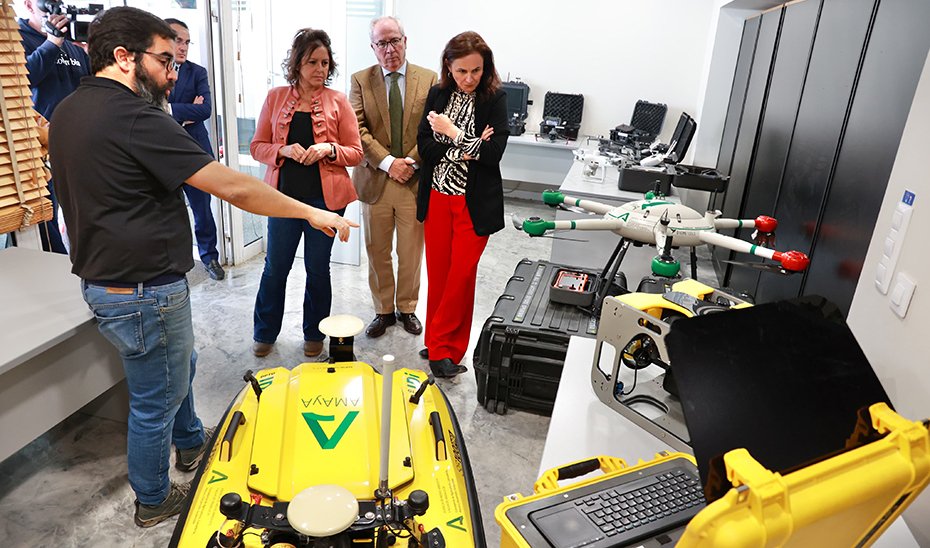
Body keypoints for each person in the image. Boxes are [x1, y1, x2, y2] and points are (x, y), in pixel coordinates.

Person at [50, 7, 356, 527]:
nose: (175, 72)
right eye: (165, 59)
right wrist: (310, 210)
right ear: (124, 58)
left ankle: (191, 442)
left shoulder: (69, 110)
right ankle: (152, 500)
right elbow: (233, 186)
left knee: (177, 369)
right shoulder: (135, 117)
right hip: (143, 287)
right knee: (155, 399)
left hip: (107, 280)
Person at [250, 28, 362, 359]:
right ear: (297, 63)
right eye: (312, 61)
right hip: (283, 200)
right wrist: (282, 152)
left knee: (318, 267)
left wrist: (329, 148)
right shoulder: (275, 97)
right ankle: (265, 331)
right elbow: (257, 147)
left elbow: (355, 152)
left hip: (325, 202)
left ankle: (315, 332)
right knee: (275, 267)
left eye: (325, 63)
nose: (320, 69)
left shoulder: (338, 101)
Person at [416, 31, 509, 378]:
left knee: (461, 276)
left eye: (476, 70)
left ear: (485, 68)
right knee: (440, 277)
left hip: (474, 203)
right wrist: (470, 146)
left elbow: (493, 154)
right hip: (438, 198)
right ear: (448, 67)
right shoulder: (437, 94)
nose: (469, 79)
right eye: (461, 71)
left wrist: (452, 133)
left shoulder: (495, 99)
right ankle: (443, 345)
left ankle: (440, 346)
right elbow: (424, 148)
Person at [350, 16, 436, 339]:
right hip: (377, 180)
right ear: (373, 48)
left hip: (413, 180)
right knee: (377, 250)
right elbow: (357, 130)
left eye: (394, 41)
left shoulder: (428, 79)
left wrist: (409, 162)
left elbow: (432, 127)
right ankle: (383, 310)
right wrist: (388, 163)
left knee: (411, 251)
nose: (390, 49)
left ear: (405, 40)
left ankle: (408, 308)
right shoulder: (360, 81)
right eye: (382, 43)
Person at [19, 0, 90, 254]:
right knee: (47, 216)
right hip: (41, 149)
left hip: (80, 142)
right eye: (47, 6)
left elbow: (91, 86)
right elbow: (22, 81)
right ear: (28, 5)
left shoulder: (73, 47)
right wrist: (52, 43)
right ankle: (60, 274)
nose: (55, 13)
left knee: (86, 213)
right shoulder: (14, 40)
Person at [164, 18, 225, 281]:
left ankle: (209, 257)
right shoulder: (152, 72)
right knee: (170, 209)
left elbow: (205, 110)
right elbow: (151, 109)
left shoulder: (197, 72)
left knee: (202, 208)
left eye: (187, 42)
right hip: (164, 150)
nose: (184, 46)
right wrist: (179, 111)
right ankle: (174, 262)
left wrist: (169, 110)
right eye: (178, 40)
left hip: (195, 149)